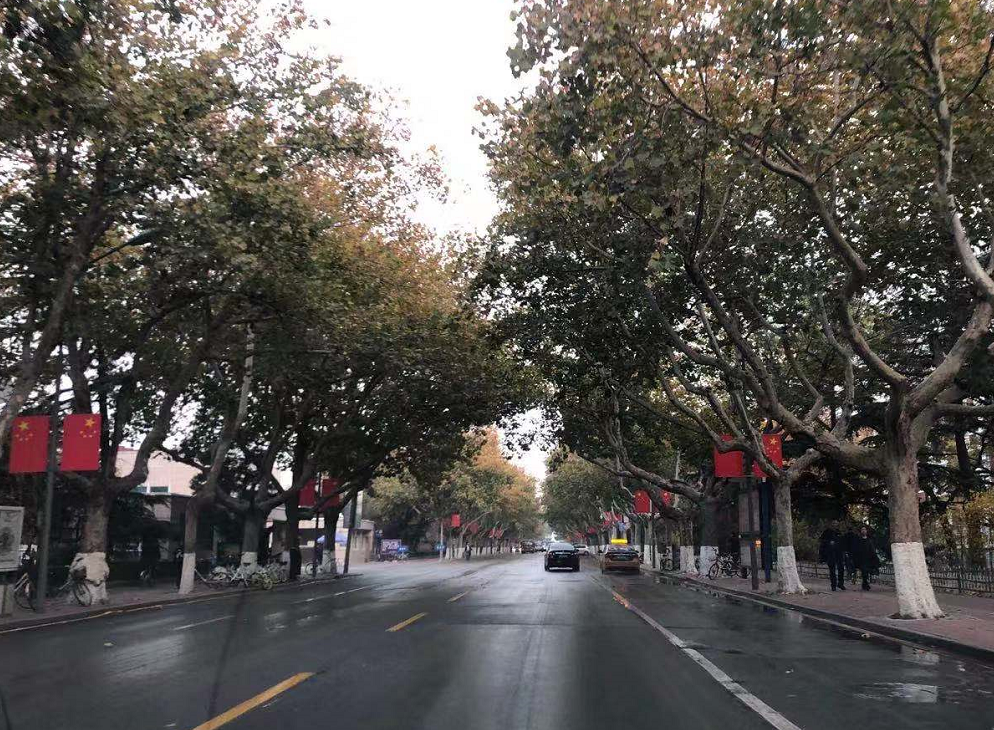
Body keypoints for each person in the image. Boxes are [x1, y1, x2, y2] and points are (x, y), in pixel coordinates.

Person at [819, 522, 846, 591]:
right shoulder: (827, 532)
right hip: (830, 553)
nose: (835, 525)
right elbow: (822, 542)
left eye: (836, 523)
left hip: (839, 553)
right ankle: (833, 585)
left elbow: (842, 541)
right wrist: (829, 543)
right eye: (833, 523)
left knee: (841, 568)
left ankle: (840, 583)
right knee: (832, 570)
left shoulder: (838, 532)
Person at [852, 526, 880, 590]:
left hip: (868, 558)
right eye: (862, 529)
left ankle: (865, 584)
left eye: (865, 529)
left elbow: (872, 549)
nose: (863, 531)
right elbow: (855, 549)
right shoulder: (858, 539)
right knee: (864, 571)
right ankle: (865, 584)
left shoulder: (869, 539)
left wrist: (874, 557)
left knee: (866, 571)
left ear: (867, 531)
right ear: (860, 531)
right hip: (861, 558)